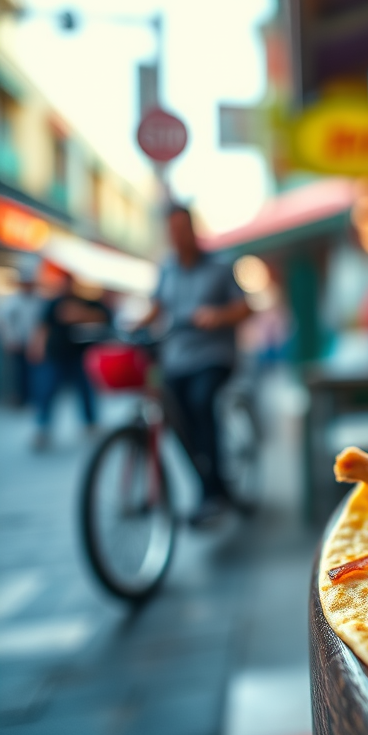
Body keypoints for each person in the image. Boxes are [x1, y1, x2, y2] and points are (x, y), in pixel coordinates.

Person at [135, 203, 251, 526]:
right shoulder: (166, 268)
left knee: (201, 403)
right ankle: (209, 484)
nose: (178, 236)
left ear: (193, 228)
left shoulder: (219, 266)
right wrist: (133, 324)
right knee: (173, 417)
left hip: (213, 356)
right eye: (172, 230)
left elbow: (245, 308)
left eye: (182, 228)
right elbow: (156, 308)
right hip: (176, 359)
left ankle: (213, 490)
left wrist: (218, 316)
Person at [28, 271, 110, 449]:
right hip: (56, 355)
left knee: (85, 391)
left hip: (79, 356)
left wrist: (82, 314)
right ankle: (43, 429)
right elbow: (43, 327)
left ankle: (90, 424)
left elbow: (103, 317)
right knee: (47, 392)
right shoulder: (53, 304)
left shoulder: (85, 302)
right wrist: (37, 347)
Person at [0, 277, 42, 407]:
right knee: (19, 373)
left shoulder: (38, 300)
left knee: (34, 372)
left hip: (33, 343)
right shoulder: (13, 301)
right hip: (18, 343)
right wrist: (11, 339)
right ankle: (21, 398)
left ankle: (33, 397)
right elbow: (6, 322)